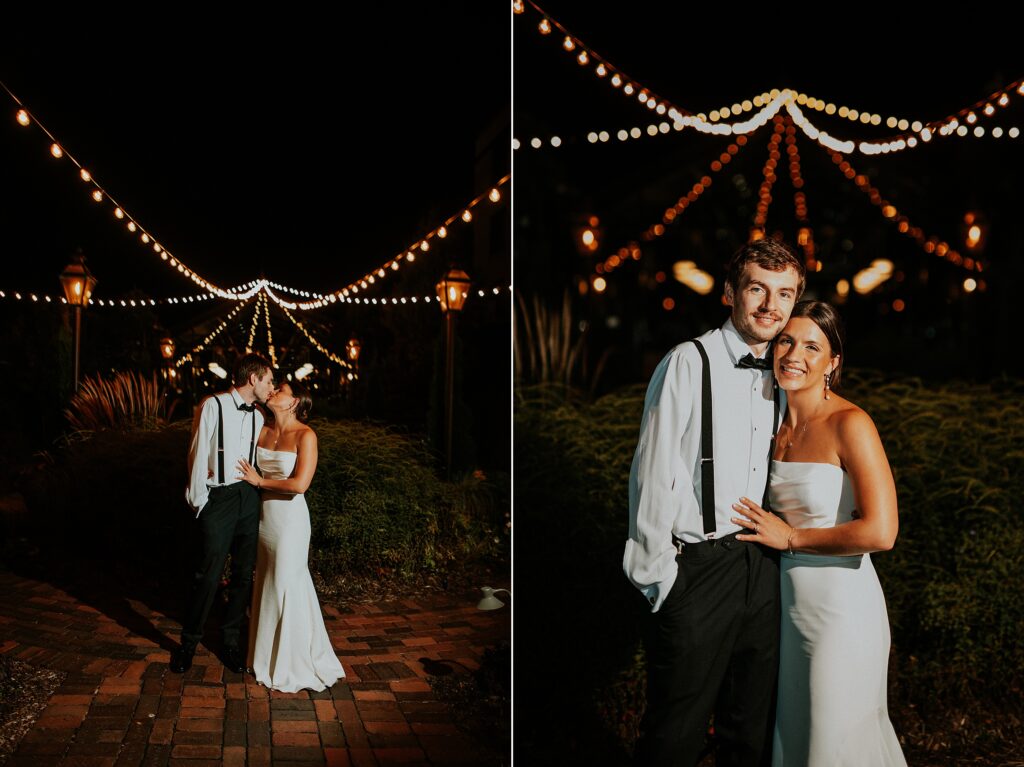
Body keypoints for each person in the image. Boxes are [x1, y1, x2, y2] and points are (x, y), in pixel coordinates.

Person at [624, 238, 805, 766]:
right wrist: (661, 582)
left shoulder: (788, 372)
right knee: (673, 735)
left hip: (764, 569)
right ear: (729, 293)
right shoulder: (687, 362)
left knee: (749, 732)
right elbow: (652, 474)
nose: (771, 305)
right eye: (757, 289)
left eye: (784, 294)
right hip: (698, 570)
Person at [730, 301, 907, 766]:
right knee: (797, 739)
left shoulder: (851, 424)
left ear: (832, 363)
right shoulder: (769, 422)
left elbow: (882, 531)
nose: (794, 355)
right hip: (786, 610)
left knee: (832, 741)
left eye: (812, 347)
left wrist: (792, 539)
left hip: (841, 612)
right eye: (787, 341)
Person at [237, 380, 345, 692]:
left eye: (281, 389)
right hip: (264, 518)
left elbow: (299, 485)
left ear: (294, 401)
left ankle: (291, 661)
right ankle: (265, 657)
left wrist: (260, 482)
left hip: (290, 521)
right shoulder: (263, 429)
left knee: (286, 581)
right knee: (267, 582)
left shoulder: (305, 435)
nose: (273, 391)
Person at [172, 353, 275, 674]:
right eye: (269, 380)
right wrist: (200, 502)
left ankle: (230, 642)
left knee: (243, 574)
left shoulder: (259, 416)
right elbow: (197, 452)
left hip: (248, 497)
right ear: (253, 379)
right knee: (209, 573)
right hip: (219, 498)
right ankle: (188, 643)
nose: (271, 387)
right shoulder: (213, 406)